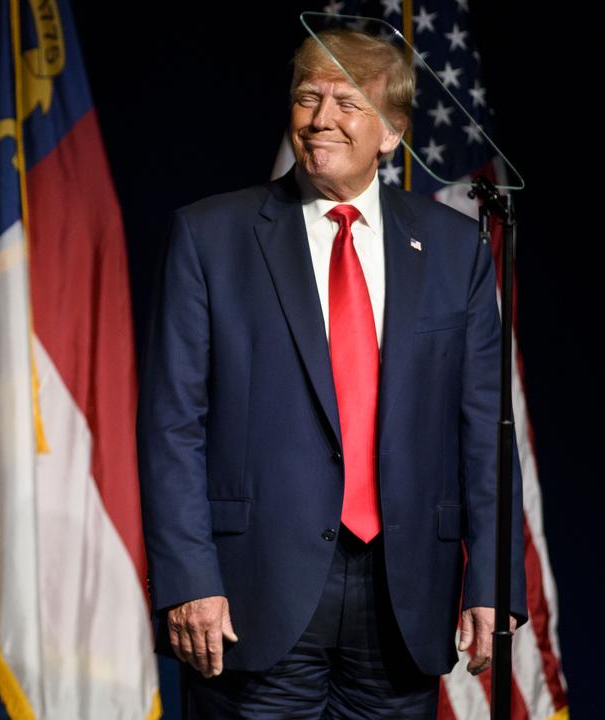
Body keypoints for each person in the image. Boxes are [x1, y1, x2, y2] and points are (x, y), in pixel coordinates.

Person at [138, 29, 525, 717]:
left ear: (391, 133)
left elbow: (483, 431)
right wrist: (189, 579)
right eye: (307, 97)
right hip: (250, 597)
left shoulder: (452, 248)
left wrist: (494, 581)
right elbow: (172, 424)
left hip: (402, 599)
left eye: (346, 102)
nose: (319, 118)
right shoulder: (211, 237)